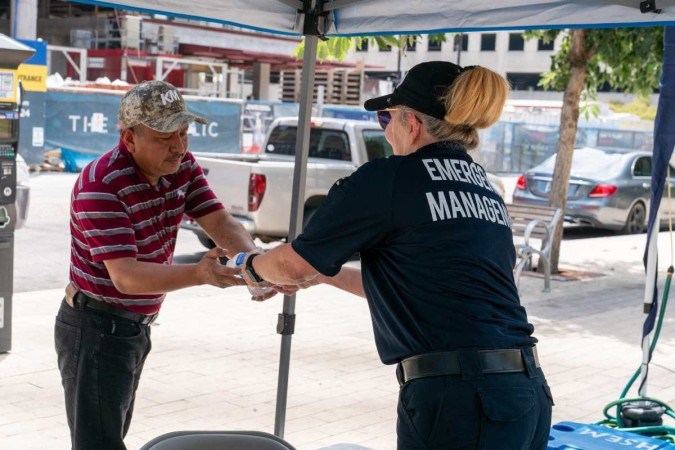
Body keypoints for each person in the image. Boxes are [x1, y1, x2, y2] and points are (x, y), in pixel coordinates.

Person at [239, 61, 554, 449]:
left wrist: (250, 266)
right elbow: (426, 288)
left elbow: (290, 263)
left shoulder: (390, 179)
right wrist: (322, 275)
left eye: (387, 117)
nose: (385, 130)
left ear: (413, 124)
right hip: (525, 393)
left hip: (460, 399)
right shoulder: (485, 190)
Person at [54, 80, 270, 450]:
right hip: (95, 328)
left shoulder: (181, 165)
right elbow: (127, 277)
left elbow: (219, 223)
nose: (179, 146)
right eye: (165, 137)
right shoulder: (101, 184)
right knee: (99, 444)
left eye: (184, 133)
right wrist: (201, 273)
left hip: (131, 327)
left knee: (109, 434)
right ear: (129, 138)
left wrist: (255, 266)